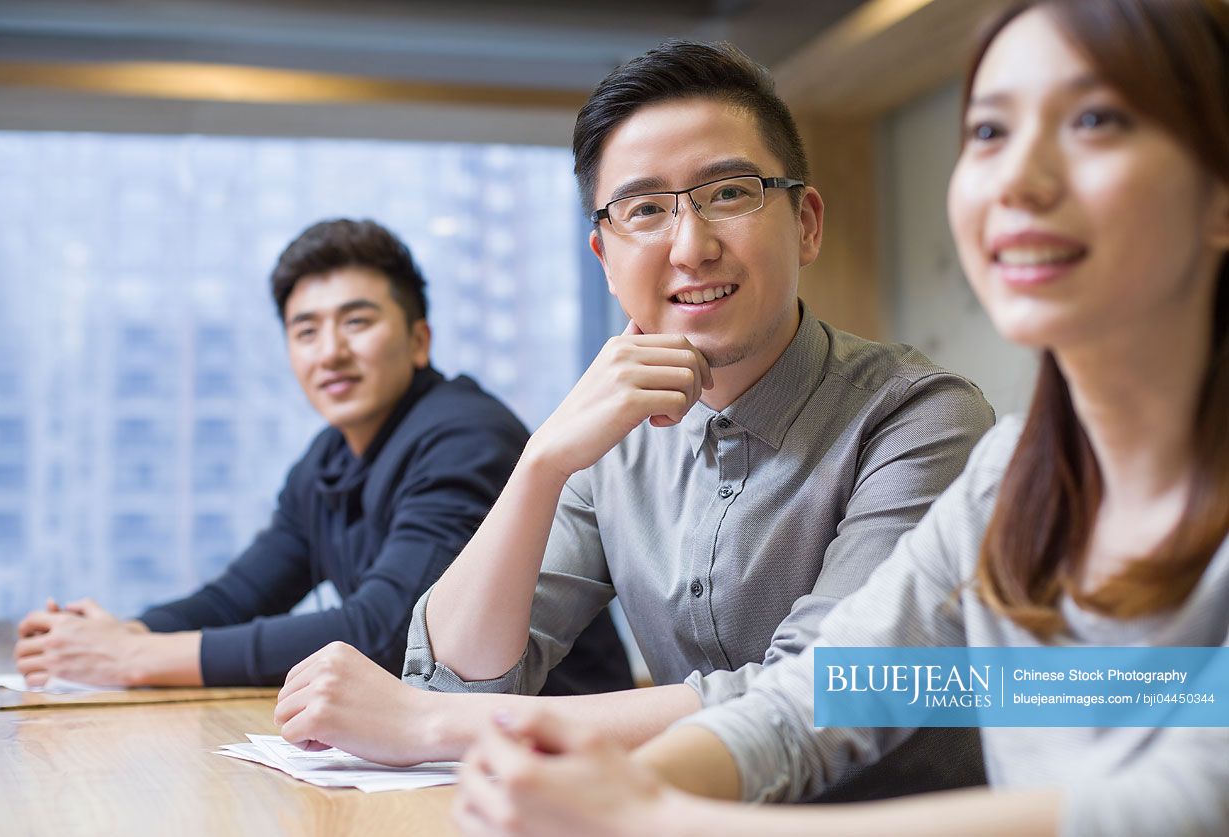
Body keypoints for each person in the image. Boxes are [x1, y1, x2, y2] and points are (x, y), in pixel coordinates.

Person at [451, 0, 1229, 833]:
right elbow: (825, 691)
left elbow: (1172, 804)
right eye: (990, 132)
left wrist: (650, 815)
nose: (1018, 179)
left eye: (1093, 119)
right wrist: (617, 789)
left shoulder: (924, 419)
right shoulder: (1017, 472)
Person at [273, 42, 995, 799]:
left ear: (806, 223)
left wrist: (431, 726)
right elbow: (456, 677)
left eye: (729, 192)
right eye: (645, 210)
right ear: (605, 259)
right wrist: (543, 460)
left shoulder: (922, 417)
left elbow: (820, 692)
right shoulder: (608, 438)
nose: (691, 246)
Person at [13, 218, 633, 693]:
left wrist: (133, 659)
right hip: (442, 749)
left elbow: (386, 632)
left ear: (420, 340)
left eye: (356, 322)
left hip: (549, 751)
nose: (329, 352)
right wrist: (124, 632)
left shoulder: (466, 437)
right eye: (306, 331)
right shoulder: (328, 459)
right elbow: (239, 596)